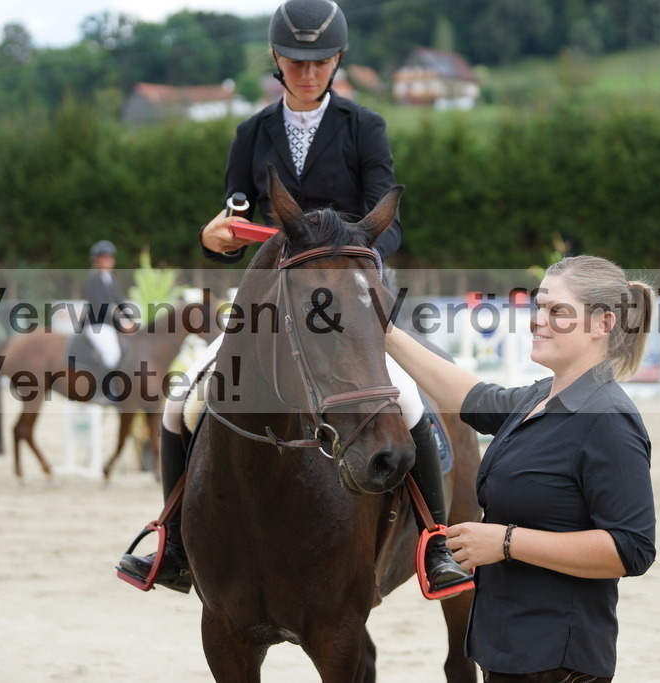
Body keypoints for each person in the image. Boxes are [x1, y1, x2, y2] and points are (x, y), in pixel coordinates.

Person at [117, 0, 471, 595]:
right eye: (296, 60)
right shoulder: (250, 133)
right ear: (277, 60)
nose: (308, 72)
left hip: (349, 300)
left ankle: (434, 541)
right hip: (269, 307)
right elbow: (235, 217)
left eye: (320, 60)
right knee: (181, 402)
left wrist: (352, 253)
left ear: (337, 61)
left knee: (411, 402)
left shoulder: (365, 127)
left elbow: (392, 222)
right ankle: (173, 541)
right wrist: (217, 238)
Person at [383, 255, 657, 681]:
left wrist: (507, 542)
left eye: (558, 311)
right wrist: (385, 332)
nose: (538, 321)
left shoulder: (608, 419)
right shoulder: (537, 399)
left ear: (602, 325)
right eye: (538, 307)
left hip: (557, 662)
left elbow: (631, 549)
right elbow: (466, 395)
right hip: (506, 650)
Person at [82, 240, 126, 371]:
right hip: (97, 325)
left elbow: (119, 302)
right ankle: (103, 389)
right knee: (112, 355)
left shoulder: (111, 279)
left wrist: (131, 320)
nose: (108, 260)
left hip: (109, 324)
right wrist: (120, 322)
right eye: (104, 258)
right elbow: (100, 306)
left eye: (110, 257)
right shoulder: (93, 279)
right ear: (97, 260)